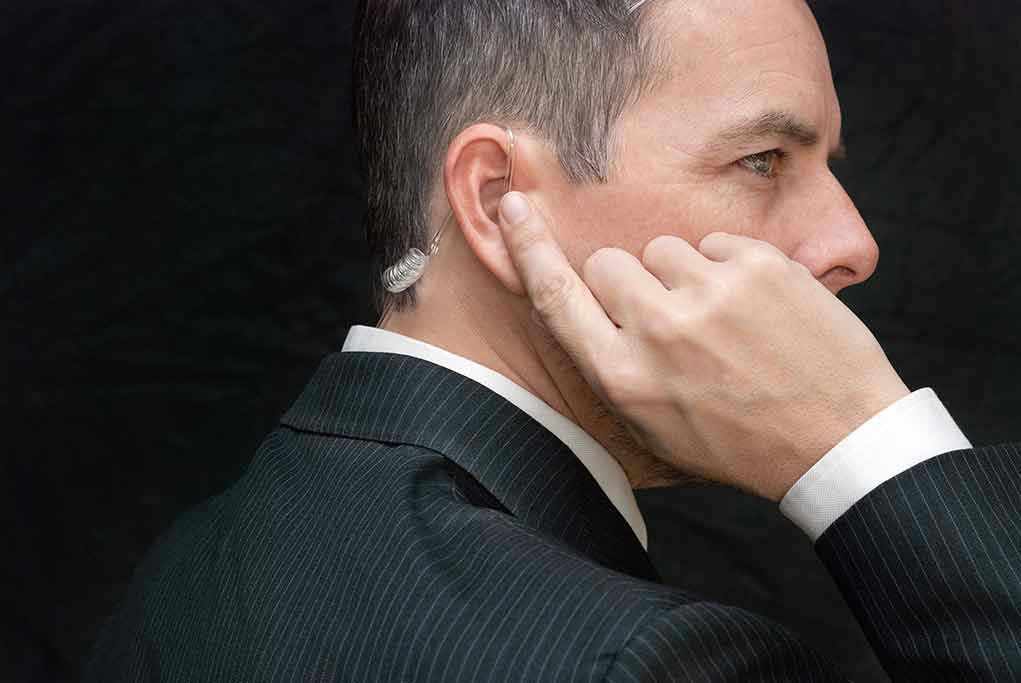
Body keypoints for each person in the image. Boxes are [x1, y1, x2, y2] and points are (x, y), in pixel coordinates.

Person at [83, 0, 1021, 680]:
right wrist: (869, 451)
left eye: (827, 164)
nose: (851, 243)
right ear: (498, 199)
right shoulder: (643, 660)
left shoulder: (188, 568)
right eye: (762, 159)